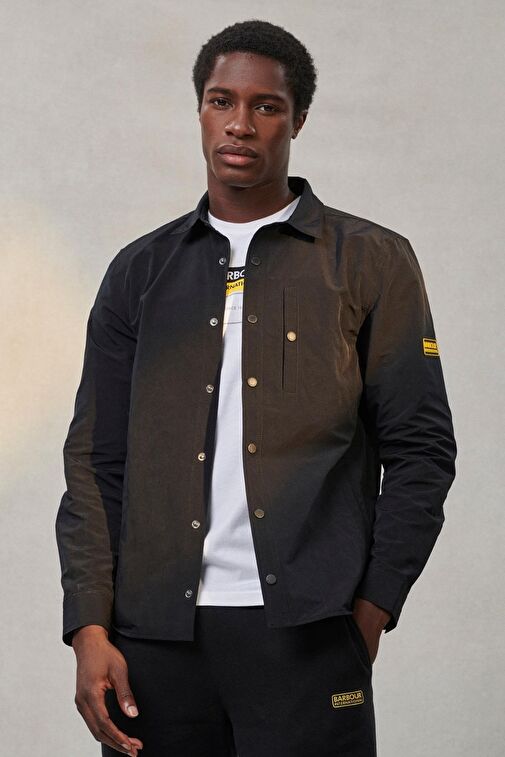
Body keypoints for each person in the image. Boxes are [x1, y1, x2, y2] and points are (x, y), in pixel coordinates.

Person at [55, 18, 457, 757]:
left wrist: (371, 608)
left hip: (307, 634)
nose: (240, 124)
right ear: (201, 110)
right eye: (222, 101)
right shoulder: (139, 273)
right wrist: (88, 624)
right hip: (153, 638)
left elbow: (421, 449)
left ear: (297, 119)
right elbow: (94, 459)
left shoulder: (370, 261)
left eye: (265, 106)